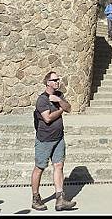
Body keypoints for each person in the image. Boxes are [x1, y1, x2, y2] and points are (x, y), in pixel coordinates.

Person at [31, 71, 76, 211]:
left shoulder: (59, 95)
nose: (57, 81)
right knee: (39, 168)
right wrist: (61, 110)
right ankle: (35, 198)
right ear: (48, 83)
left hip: (58, 138)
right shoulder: (42, 100)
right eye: (54, 80)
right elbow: (48, 118)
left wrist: (59, 102)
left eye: (58, 79)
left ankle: (60, 199)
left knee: (59, 166)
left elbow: (69, 108)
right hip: (44, 140)